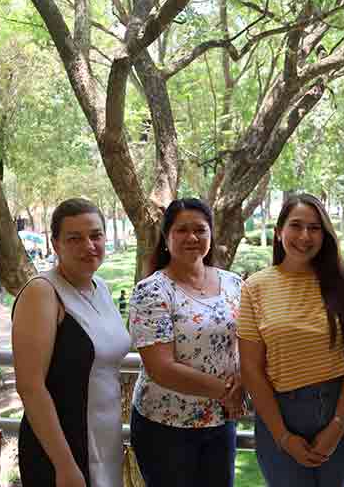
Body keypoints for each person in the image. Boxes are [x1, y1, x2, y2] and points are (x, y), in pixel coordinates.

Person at [239, 193, 344, 487]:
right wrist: (283, 436)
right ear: (279, 232)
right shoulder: (254, 287)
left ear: (325, 235)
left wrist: (337, 426)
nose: (304, 236)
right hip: (279, 414)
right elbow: (251, 369)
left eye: (314, 228)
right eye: (296, 226)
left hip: (339, 411)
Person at [13, 198, 131, 487]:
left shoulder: (100, 286)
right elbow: (30, 386)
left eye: (95, 235)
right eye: (74, 238)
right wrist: (65, 466)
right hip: (61, 446)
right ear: (55, 244)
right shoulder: (42, 293)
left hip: (104, 436)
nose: (88, 245)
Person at [128, 198, 244, 487]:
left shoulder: (233, 284)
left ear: (210, 235)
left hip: (220, 421)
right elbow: (161, 368)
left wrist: (242, 382)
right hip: (166, 428)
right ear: (167, 238)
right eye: (181, 230)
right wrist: (227, 393)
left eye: (200, 230)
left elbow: (246, 341)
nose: (192, 237)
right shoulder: (152, 291)